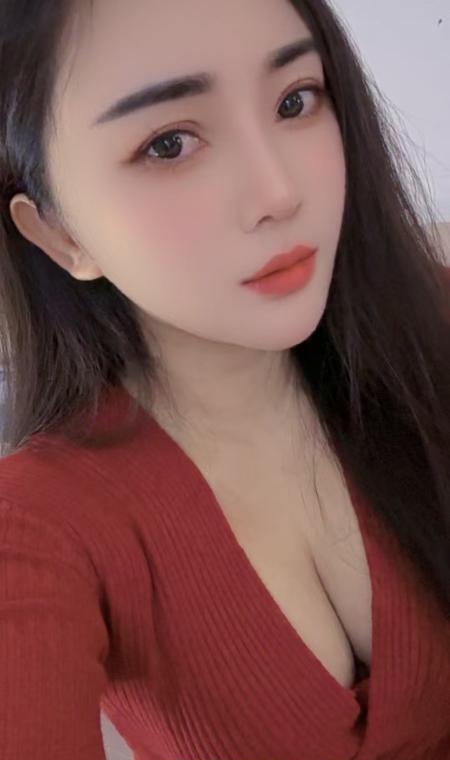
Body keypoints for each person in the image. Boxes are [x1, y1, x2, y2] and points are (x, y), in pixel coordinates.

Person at [0, 0, 449, 758]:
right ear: (60, 233)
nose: (279, 192)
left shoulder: (428, 323)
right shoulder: (38, 528)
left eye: (294, 101)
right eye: (169, 143)